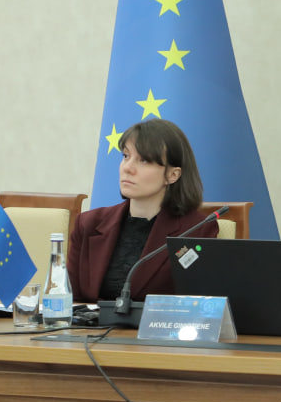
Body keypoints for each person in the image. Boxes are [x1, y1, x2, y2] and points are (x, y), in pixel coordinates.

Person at [68, 118, 218, 303]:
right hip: (91, 322)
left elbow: (197, 305)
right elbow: (71, 301)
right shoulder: (88, 224)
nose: (127, 168)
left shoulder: (197, 230)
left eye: (144, 160)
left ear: (172, 175)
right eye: (126, 156)